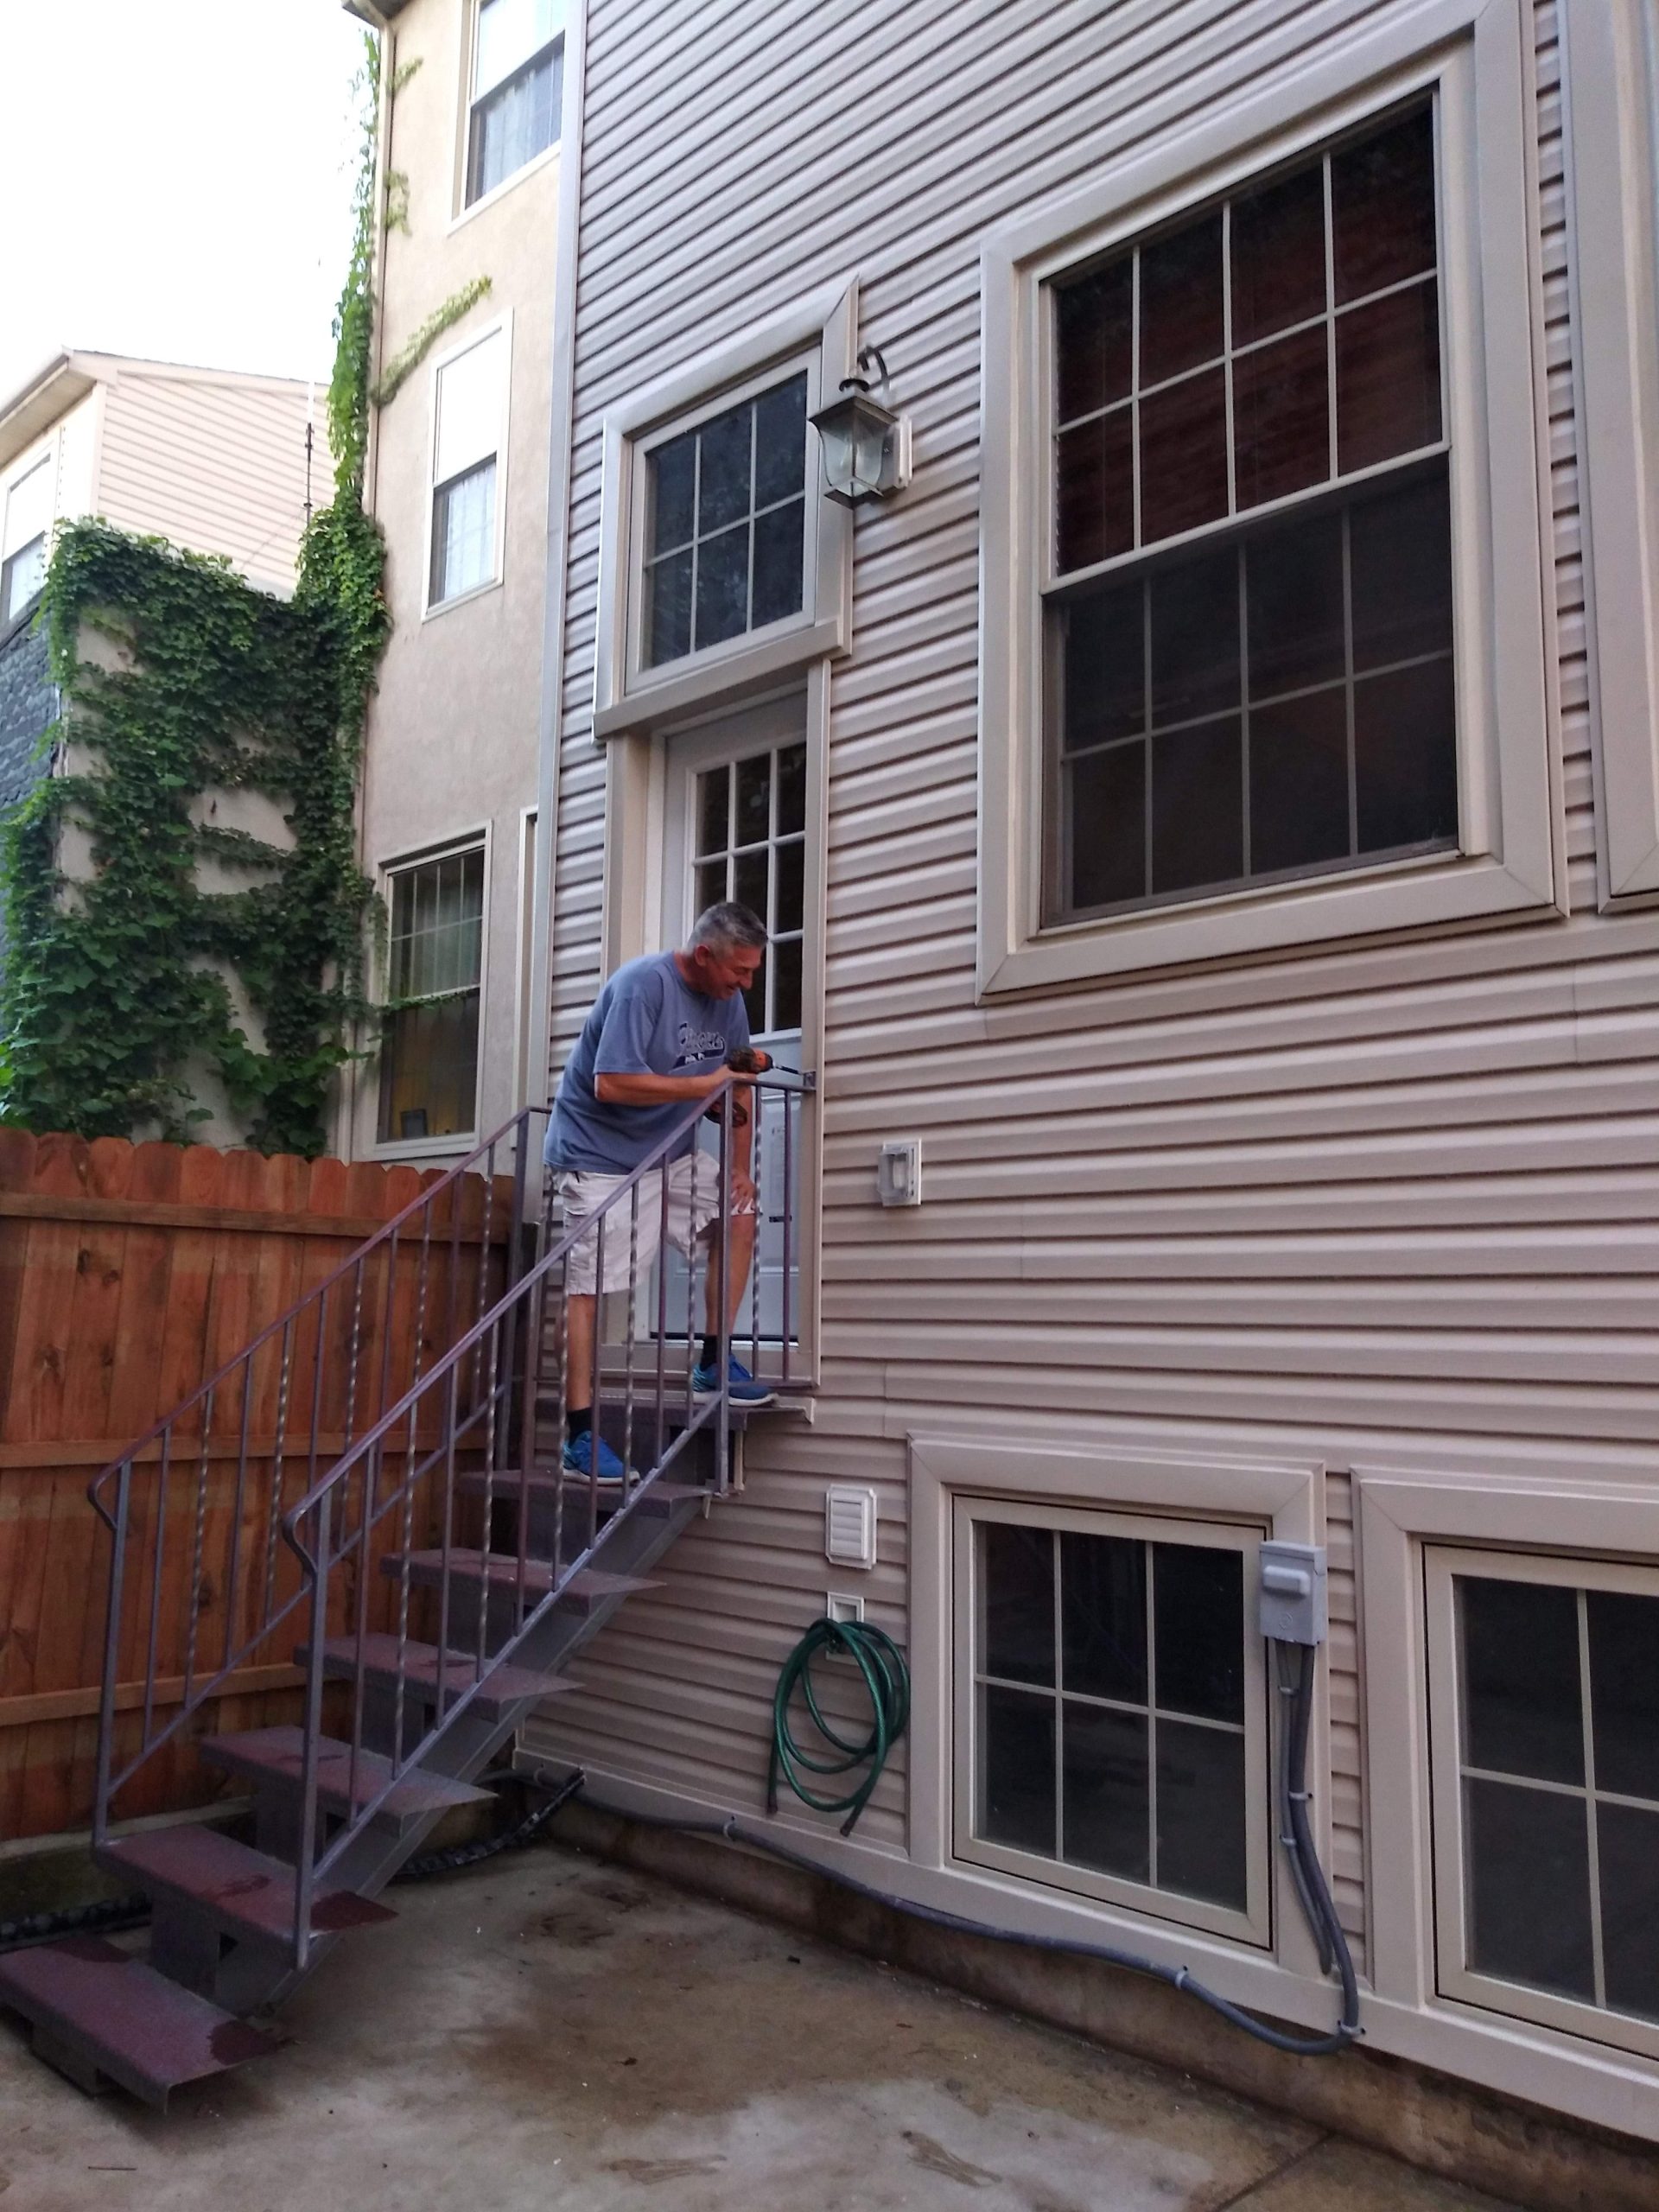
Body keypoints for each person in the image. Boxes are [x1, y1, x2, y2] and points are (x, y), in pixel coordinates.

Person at [543, 901, 777, 1483]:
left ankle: (712, 1362)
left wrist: (739, 1169)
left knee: (740, 1212)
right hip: (596, 1158)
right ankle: (577, 1436)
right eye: (739, 972)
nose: (746, 983)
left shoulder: (729, 1003)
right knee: (591, 1286)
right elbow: (612, 1082)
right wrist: (704, 1084)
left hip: (667, 1156)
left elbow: (740, 1080)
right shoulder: (640, 988)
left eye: (752, 972)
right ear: (703, 955)